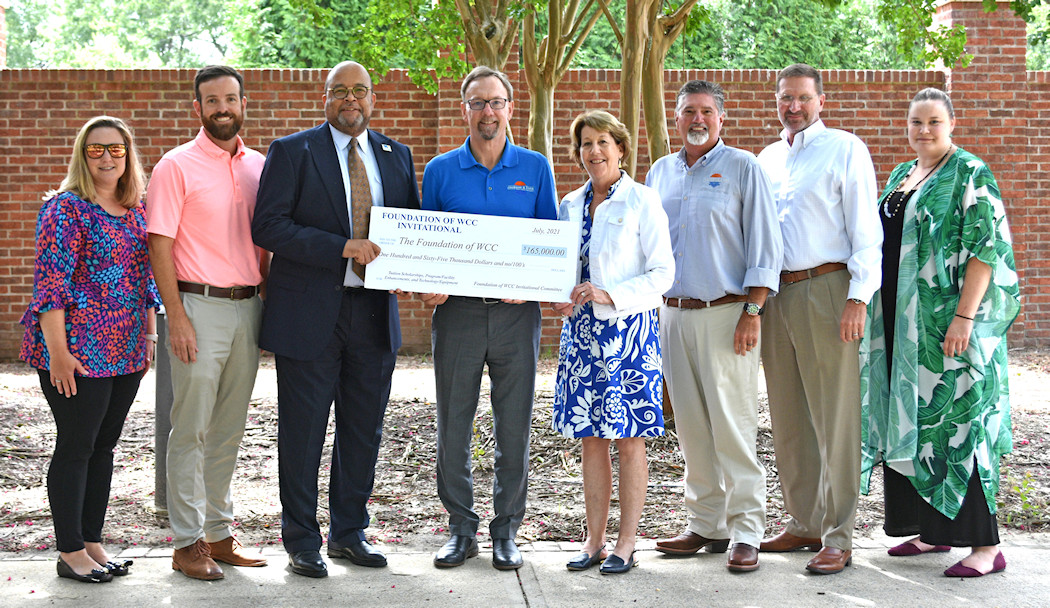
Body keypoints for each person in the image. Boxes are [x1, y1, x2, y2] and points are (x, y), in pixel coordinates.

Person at [252, 61, 421, 579]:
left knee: (362, 430)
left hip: (373, 313)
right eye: (340, 91)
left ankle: (350, 531)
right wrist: (341, 247)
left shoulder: (396, 155)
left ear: (374, 99)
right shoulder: (292, 151)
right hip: (309, 314)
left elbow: (411, 227)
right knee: (303, 433)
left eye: (360, 91)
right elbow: (269, 225)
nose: (351, 100)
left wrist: (418, 269)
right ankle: (302, 538)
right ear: (324, 98)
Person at [860, 88, 1020, 578]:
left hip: (946, 326)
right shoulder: (900, 175)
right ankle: (931, 531)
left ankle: (985, 546)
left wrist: (965, 317)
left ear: (951, 123)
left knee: (957, 426)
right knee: (912, 419)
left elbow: (985, 250)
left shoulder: (971, 172)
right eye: (916, 122)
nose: (924, 130)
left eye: (933, 122)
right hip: (898, 326)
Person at [421, 65, 558, 571]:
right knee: (452, 426)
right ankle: (461, 529)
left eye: (496, 102)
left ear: (510, 107)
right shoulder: (439, 171)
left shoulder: (535, 167)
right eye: (478, 103)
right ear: (465, 109)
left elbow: (551, 243)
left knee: (514, 427)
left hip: (515, 320)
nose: (487, 111)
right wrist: (427, 285)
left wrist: (536, 286)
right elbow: (427, 247)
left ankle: (506, 530)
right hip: (455, 316)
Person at [647, 81, 783, 573]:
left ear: (721, 119)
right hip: (671, 315)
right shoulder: (660, 172)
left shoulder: (744, 168)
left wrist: (753, 312)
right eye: (688, 111)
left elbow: (767, 246)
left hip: (728, 314)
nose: (696, 119)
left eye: (706, 111)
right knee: (690, 427)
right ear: (676, 117)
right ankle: (706, 523)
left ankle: (746, 530)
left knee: (733, 426)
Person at [20, 116, 160, 583]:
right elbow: (50, 288)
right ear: (83, 153)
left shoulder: (137, 208)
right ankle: (69, 551)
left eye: (116, 149)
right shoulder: (65, 209)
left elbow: (145, 279)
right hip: (76, 350)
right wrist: (58, 353)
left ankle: (91, 540)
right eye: (96, 149)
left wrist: (149, 334)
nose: (106, 157)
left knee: (104, 446)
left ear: (128, 154)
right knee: (77, 446)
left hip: (125, 350)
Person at [756, 64, 882, 574]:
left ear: (820, 100)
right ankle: (804, 521)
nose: (794, 106)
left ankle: (838, 533)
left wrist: (858, 297)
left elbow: (865, 230)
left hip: (828, 290)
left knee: (835, 417)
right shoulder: (766, 158)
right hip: (775, 296)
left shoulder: (846, 149)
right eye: (786, 98)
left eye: (803, 98)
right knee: (788, 417)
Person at [146, 65, 269, 580]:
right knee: (190, 429)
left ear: (243, 104)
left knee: (228, 430)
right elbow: (160, 245)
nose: (223, 107)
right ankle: (186, 541)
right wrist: (176, 317)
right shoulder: (175, 166)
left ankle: (218, 534)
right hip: (196, 306)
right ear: (196, 108)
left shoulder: (261, 166)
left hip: (250, 306)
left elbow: (267, 239)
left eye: (231, 98)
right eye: (212, 100)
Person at [552, 111, 674, 575]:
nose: (594, 151)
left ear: (621, 149)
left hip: (628, 335)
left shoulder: (643, 200)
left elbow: (663, 273)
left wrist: (609, 294)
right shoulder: (569, 204)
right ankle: (594, 540)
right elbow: (563, 270)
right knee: (590, 439)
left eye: (603, 142)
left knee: (628, 440)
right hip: (581, 336)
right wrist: (561, 297)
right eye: (586, 144)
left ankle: (627, 542)